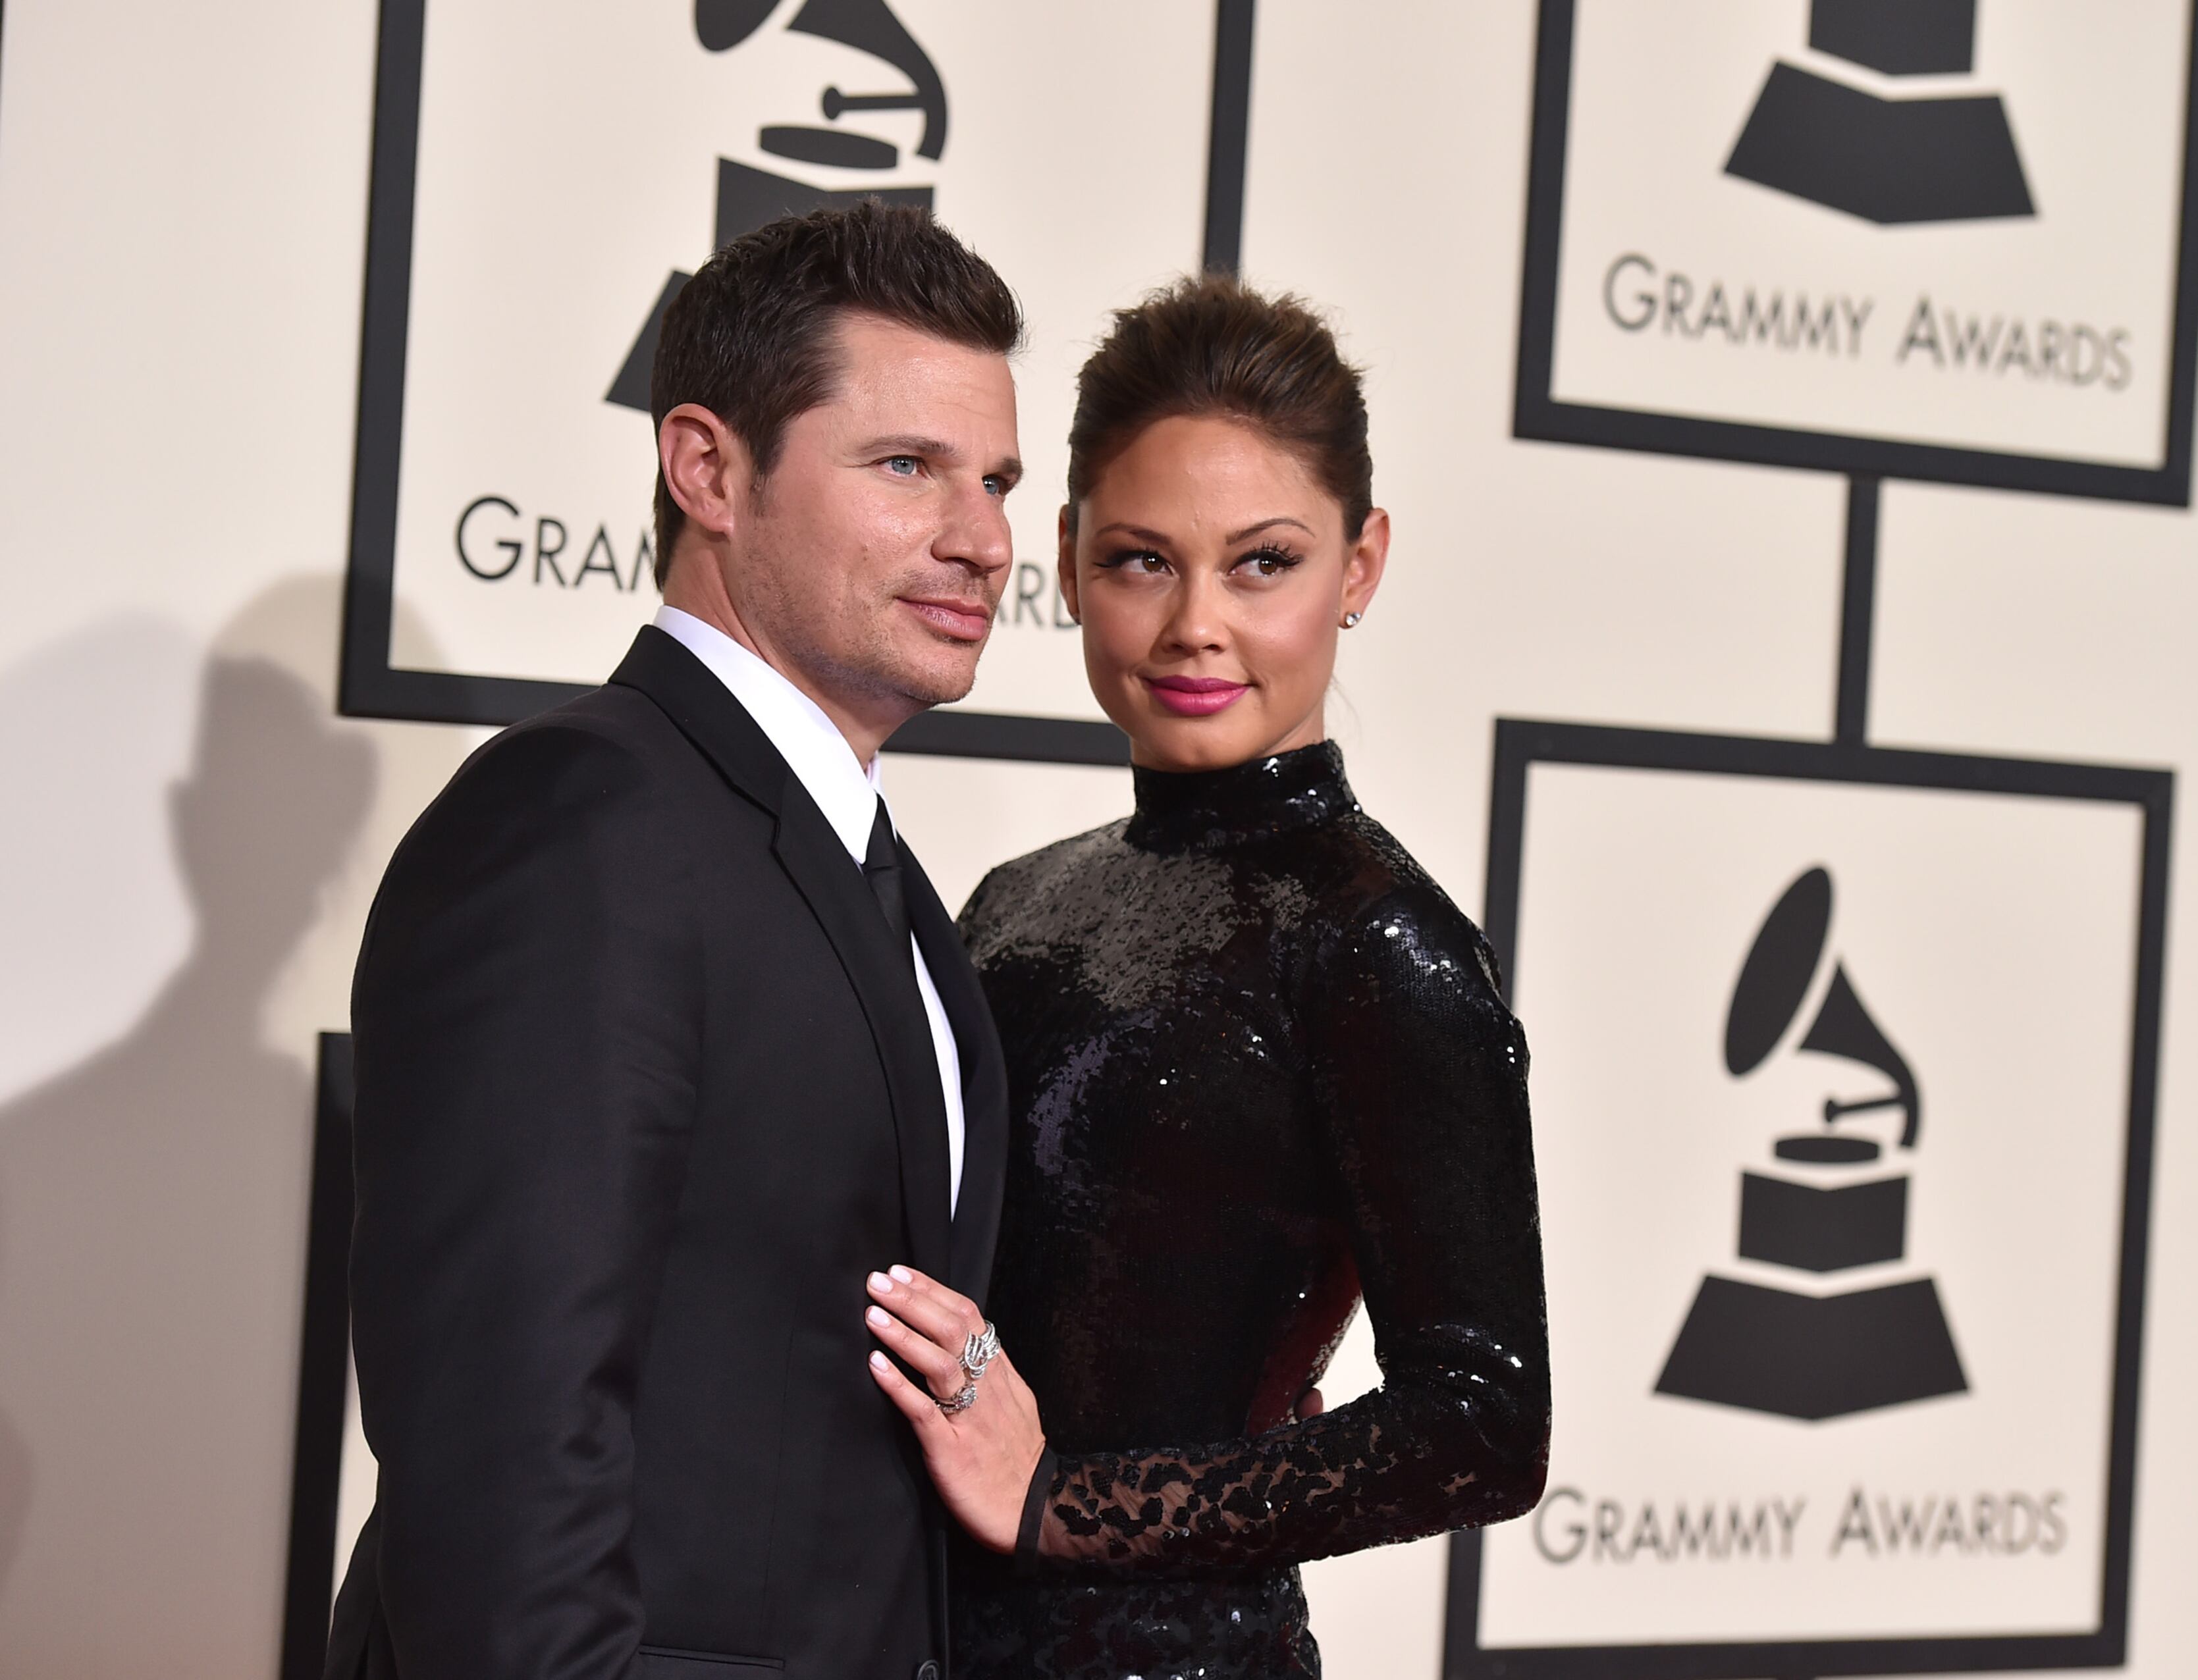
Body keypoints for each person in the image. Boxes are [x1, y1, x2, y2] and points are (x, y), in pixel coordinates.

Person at [326, 203, 1025, 1680]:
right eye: (908, 466)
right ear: (708, 467)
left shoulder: (867, 869)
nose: (983, 540)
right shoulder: (582, 825)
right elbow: (503, 1454)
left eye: (999, 481)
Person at [855, 275, 1552, 1678]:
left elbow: (1482, 1422)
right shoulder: (1015, 899)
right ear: (1065, 558)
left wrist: (1068, 1503)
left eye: (1263, 562)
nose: (1193, 626)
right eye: (1140, 560)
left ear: (1359, 568)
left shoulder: (1377, 943)